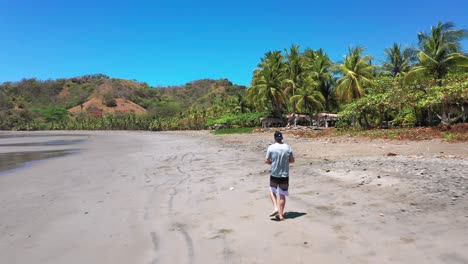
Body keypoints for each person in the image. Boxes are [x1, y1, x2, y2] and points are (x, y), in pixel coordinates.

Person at [265, 131, 295, 221]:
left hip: (274, 173)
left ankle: (275, 207)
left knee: (272, 190)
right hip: (285, 174)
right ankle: (281, 215)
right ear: (282, 138)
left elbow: (267, 160)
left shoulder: (271, 147)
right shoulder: (287, 147)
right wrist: (285, 162)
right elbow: (292, 160)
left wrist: (272, 162)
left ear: (274, 138)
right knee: (282, 194)